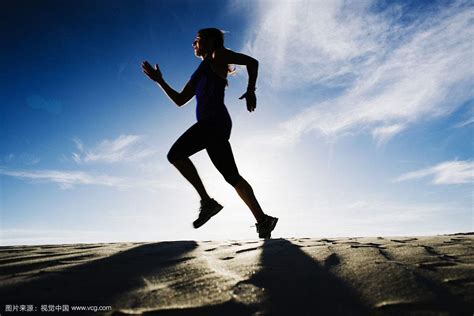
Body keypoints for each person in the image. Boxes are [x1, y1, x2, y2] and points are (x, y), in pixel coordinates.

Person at [142, 28, 278, 238]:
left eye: (197, 40)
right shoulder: (200, 70)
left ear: (211, 41)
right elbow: (180, 100)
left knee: (175, 155)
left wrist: (251, 90)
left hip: (213, 122)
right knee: (231, 176)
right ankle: (263, 220)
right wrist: (160, 81)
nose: (193, 44)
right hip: (214, 125)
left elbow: (253, 62)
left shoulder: (218, 55)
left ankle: (207, 202)